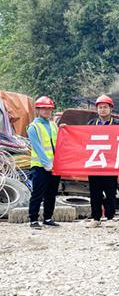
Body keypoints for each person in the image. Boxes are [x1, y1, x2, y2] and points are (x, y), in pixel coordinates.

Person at [85, 95, 119, 228]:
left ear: (111, 108)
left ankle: (110, 217)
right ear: (97, 109)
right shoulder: (91, 124)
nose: (102, 110)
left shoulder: (118, 124)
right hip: (95, 163)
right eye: (100, 107)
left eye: (105, 107)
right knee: (95, 193)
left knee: (110, 192)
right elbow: (83, 139)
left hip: (110, 164)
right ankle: (96, 218)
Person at [27, 96, 60, 229]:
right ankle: (33, 219)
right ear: (38, 110)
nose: (46, 111)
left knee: (51, 193)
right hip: (40, 166)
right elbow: (38, 148)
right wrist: (47, 164)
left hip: (55, 166)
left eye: (49, 109)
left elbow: (60, 143)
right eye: (43, 108)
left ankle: (48, 218)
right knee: (37, 193)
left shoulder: (53, 125)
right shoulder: (33, 127)